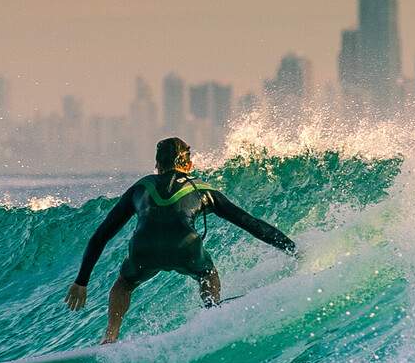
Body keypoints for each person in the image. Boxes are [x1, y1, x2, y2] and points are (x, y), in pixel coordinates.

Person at [64, 137, 297, 344]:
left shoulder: (140, 188)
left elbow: (101, 235)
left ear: (157, 165)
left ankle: (110, 336)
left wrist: (81, 281)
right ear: (188, 165)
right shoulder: (202, 189)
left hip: (145, 250)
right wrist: (292, 249)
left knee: (124, 284)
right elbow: (250, 223)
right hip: (186, 248)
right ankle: (212, 314)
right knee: (207, 274)